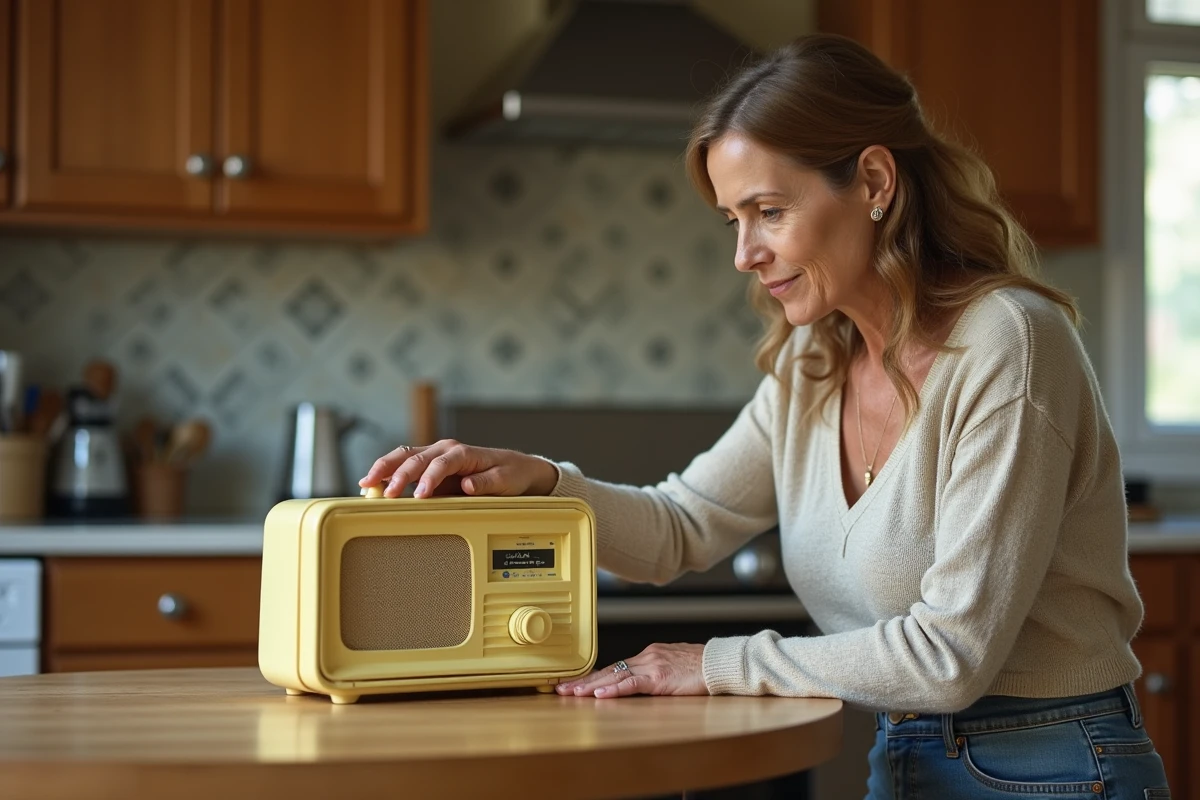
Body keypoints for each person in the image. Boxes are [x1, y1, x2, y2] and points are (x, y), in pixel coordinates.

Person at [359, 34, 1170, 799]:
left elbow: (950, 655)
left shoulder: (1010, 343)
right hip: (905, 751)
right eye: (733, 220)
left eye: (769, 211)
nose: (744, 253)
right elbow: (680, 526)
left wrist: (713, 664)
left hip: (1054, 762)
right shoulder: (813, 362)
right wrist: (539, 486)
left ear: (875, 183)